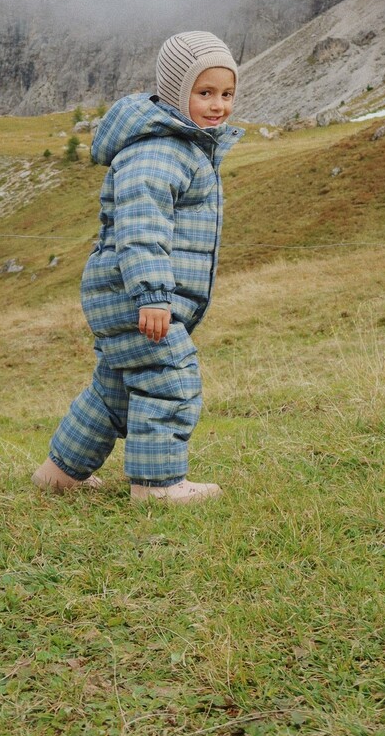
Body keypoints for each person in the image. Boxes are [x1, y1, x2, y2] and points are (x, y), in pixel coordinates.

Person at [32, 31, 243, 504]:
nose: (218, 106)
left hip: (120, 291)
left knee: (115, 390)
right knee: (170, 377)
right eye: (204, 93)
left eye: (226, 94)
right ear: (175, 92)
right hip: (134, 293)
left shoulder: (180, 145)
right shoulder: (159, 149)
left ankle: (59, 474)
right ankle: (158, 485)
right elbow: (141, 226)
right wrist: (152, 294)